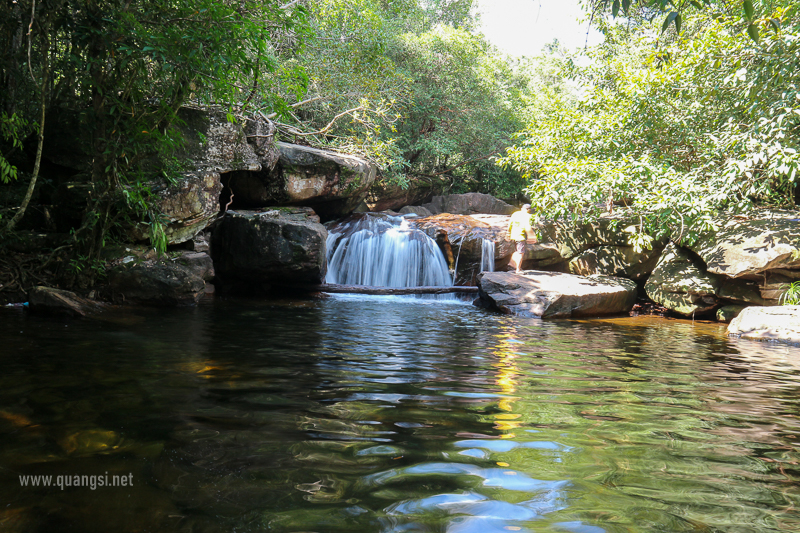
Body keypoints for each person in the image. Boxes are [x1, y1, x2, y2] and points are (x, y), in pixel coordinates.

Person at [507, 204, 537, 274]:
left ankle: (511, 265)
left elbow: (510, 224)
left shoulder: (515, 214)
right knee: (521, 253)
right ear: (528, 210)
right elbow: (527, 227)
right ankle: (518, 270)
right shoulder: (527, 216)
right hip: (520, 236)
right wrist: (532, 236)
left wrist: (508, 233)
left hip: (513, 236)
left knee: (517, 251)